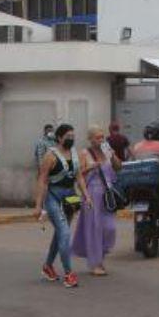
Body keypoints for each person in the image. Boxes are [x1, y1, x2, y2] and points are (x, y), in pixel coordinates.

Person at [33, 124, 92, 289]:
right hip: (53, 198)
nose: (71, 138)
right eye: (68, 135)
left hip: (70, 198)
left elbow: (79, 176)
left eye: (73, 135)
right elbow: (42, 180)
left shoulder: (76, 154)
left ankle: (48, 266)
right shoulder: (50, 156)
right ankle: (68, 273)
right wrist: (38, 205)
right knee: (65, 233)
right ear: (59, 138)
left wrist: (86, 196)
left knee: (60, 233)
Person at [72, 126, 119, 276]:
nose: (101, 140)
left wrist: (113, 156)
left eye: (102, 137)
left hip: (107, 194)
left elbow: (118, 168)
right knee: (94, 228)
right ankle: (96, 263)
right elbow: (77, 174)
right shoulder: (84, 153)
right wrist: (90, 167)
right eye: (98, 137)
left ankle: (100, 257)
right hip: (91, 193)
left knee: (109, 228)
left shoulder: (107, 151)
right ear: (90, 139)